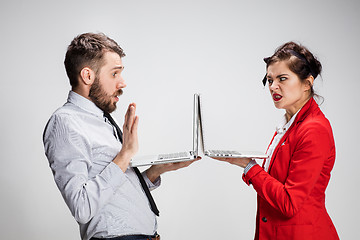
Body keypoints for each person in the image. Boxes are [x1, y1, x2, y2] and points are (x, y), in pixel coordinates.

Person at [43, 32, 198, 240]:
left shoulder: (101, 119)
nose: (122, 83)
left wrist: (154, 173)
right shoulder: (66, 122)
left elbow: (113, 193)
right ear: (87, 76)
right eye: (114, 74)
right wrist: (125, 155)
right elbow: (82, 207)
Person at [212, 42, 339, 239]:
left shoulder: (314, 129)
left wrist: (248, 166)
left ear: (307, 83)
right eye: (269, 80)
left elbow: (289, 203)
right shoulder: (289, 124)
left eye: (282, 79)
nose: (273, 86)